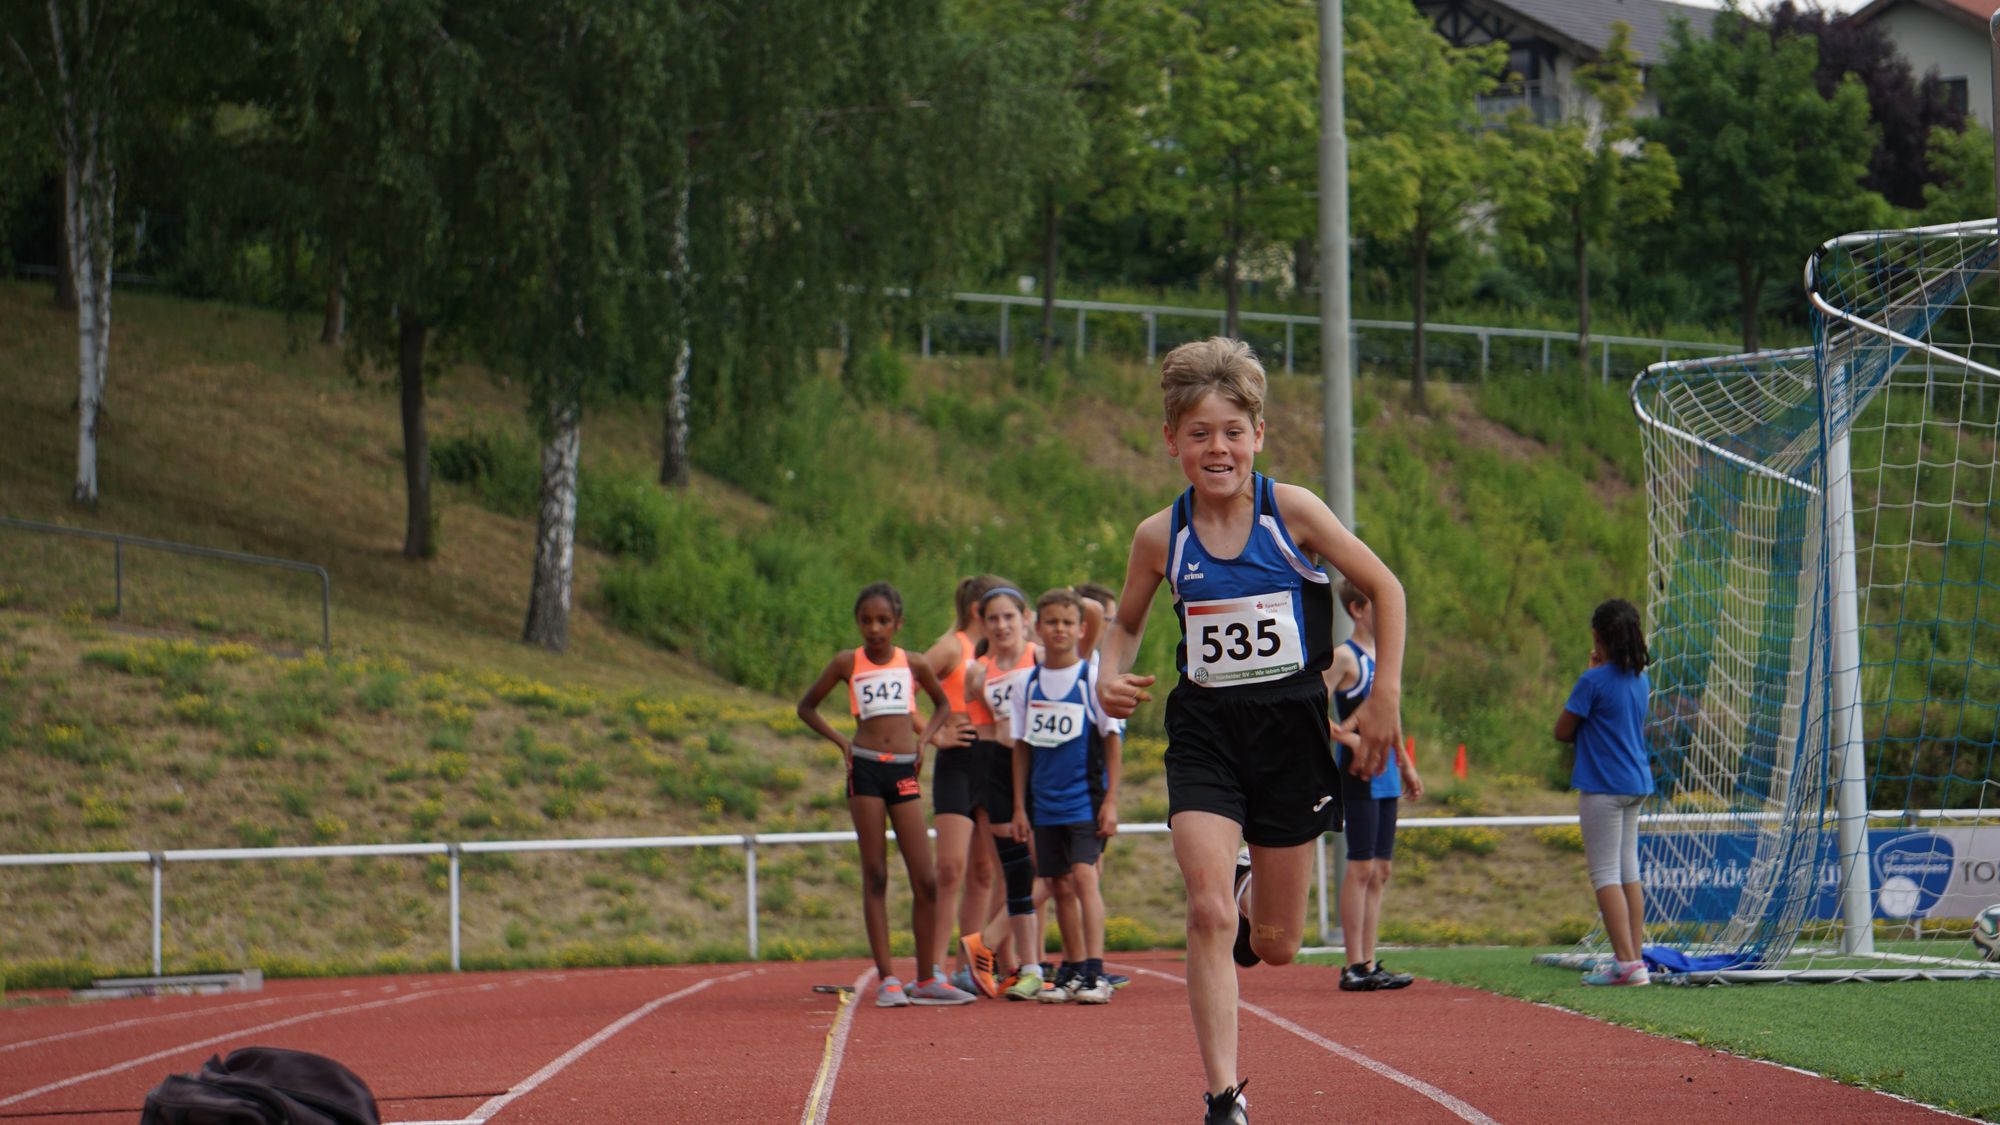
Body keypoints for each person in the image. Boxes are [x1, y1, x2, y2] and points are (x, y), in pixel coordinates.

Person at [1096, 337, 1406, 1125]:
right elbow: (1124, 624)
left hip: (1290, 731)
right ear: (1171, 439)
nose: (1217, 448)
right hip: (1205, 729)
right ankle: (1223, 1097)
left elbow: (1384, 586)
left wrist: (1386, 694)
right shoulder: (1160, 535)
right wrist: (1107, 672)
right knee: (1205, 910)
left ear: (1258, 434)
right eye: (1199, 433)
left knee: (1275, 944)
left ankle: (1246, 885)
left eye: (1232, 431)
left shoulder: (1291, 512)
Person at [796, 582, 975, 1008]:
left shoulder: (913, 663)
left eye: (883, 620)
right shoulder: (847, 662)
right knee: (875, 874)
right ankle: (889, 979)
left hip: (904, 771)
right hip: (865, 769)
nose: (874, 629)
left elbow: (942, 705)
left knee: (926, 878)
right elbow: (806, 707)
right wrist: (842, 743)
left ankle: (927, 978)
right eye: (866, 621)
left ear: (898, 623)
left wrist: (926, 741)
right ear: (858, 623)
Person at [1006, 588, 1123, 1005]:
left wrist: (1111, 800)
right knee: (1057, 884)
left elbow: (1112, 739)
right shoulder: (1026, 684)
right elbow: (1021, 747)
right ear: (1038, 627)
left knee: (1084, 876)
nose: (1060, 629)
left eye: (1068, 623)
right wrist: (1019, 807)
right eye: (1052, 622)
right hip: (1044, 803)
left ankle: (1096, 970)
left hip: (1085, 799)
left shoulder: (1091, 679)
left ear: (1081, 629)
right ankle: (1073, 968)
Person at [1325, 578, 1423, 992]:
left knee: (1381, 870)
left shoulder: (1384, 658)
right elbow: (1311, 708)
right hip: (1358, 771)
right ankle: (1353, 964)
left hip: (1386, 773)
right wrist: (1349, 740)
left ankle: (1369, 960)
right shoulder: (1344, 657)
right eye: (1378, 605)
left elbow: (1389, 715)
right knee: (1361, 866)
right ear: (1357, 609)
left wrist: (1407, 764)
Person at [1553, 597, 1654, 988]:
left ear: (1597, 636)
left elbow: (1562, 731)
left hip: (1603, 787)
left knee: (1605, 874)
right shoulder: (1640, 679)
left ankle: (1625, 964)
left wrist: (1589, 674)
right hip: (1636, 783)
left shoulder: (1591, 681)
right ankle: (1635, 958)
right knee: (1629, 871)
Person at [957, 585, 1047, 1000]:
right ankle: (1030, 968)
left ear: (1025, 618)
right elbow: (985, 735)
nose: (1001, 625)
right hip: (1000, 773)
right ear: (982, 622)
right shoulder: (977, 673)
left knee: (1056, 871)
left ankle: (987, 942)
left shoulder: (1041, 657)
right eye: (993, 618)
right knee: (1018, 873)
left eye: (1009, 616)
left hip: (1044, 769)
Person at [921, 574, 1007, 993]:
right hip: (956, 763)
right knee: (950, 868)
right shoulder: (952, 646)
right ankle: (932, 968)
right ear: (978, 610)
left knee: (984, 871)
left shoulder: (1002, 652)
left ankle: (968, 968)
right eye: (995, 612)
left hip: (990, 761)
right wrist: (933, 732)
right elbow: (903, 680)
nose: (1002, 621)